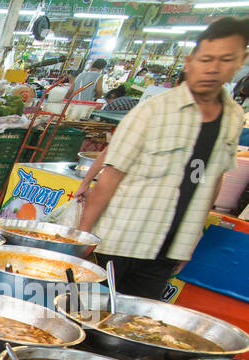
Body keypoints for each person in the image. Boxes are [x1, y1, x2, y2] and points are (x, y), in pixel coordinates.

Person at [79, 18, 248, 300]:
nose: (214, 68)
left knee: (132, 329)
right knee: (87, 313)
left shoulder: (233, 117)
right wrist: (82, 239)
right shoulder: (153, 111)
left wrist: (192, 239)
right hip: (116, 241)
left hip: (166, 249)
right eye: (206, 59)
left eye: (226, 60)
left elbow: (211, 180)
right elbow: (111, 176)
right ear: (189, 62)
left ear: (240, 62)